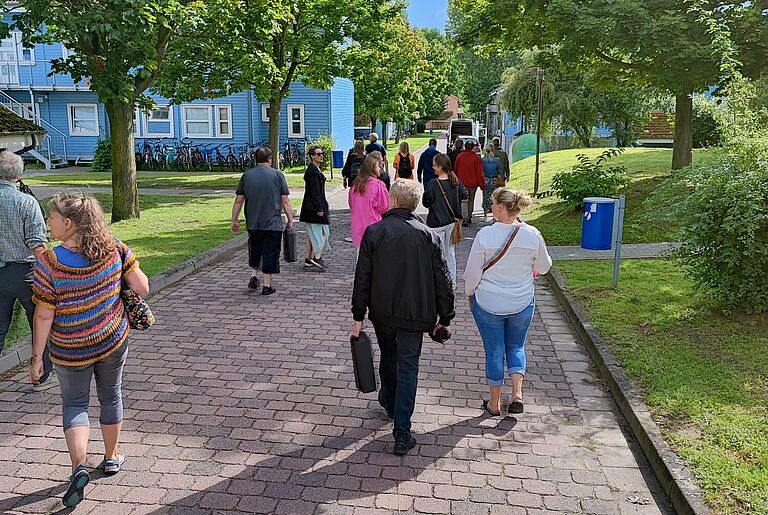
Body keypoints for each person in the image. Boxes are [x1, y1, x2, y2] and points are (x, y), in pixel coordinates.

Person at [30, 192, 150, 508]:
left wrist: (36, 358)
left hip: (69, 348)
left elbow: (44, 313)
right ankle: (111, 458)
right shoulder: (115, 249)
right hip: (111, 339)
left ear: (68, 223)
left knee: (74, 403)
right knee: (111, 395)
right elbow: (142, 287)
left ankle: (78, 467)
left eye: (52, 217)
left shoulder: (48, 264)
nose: (48, 222)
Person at [351, 180, 455, 456]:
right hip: (416, 312)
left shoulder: (374, 233)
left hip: (382, 311)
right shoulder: (428, 235)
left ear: (393, 202)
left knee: (389, 355)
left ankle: (389, 399)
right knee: (408, 365)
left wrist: (358, 315)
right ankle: (402, 430)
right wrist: (446, 316)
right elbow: (443, 279)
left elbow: (362, 278)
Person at [463, 188, 552, 417]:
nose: (491, 207)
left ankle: (494, 403)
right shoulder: (532, 235)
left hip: (488, 302)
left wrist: (469, 293)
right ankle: (517, 395)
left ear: (501, 207)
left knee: (494, 350)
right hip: (521, 302)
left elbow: (472, 273)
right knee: (516, 346)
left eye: (493, 203)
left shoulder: (485, 236)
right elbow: (544, 267)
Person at [0, 151, 56, 391]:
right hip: (25, 272)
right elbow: (37, 244)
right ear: (19, 174)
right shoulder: (25, 202)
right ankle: (41, 376)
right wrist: (52, 273)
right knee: (39, 322)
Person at [231, 146, 294, 295]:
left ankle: (254, 275)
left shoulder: (246, 176)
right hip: (272, 222)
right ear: (270, 159)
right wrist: (290, 219)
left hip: (253, 221)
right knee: (270, 252)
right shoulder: (278, 175)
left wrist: (234, 220)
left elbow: (239, 200)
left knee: (255, 249)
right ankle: (267, 285)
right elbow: (285, 200)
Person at [422, 153, 467, 289]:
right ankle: (451, 281)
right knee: (450, 253)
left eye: (435, 165)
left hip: (436, 223)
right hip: (452, 223)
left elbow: (426, 203)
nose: (433, 168)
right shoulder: (456, 181)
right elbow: (464, 196)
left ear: (441, 167)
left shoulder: (433, 184)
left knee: (436, 255)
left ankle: (437, 282)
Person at [300, 146, 331, 272]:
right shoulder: (313, 172)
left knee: (312, 234)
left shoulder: (314, 170)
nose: (321, 156)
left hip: (311, 207)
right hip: (314, 208)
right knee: (325, 232)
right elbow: (315, 192)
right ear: (312, 156)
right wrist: (319, 208)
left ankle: (308, 259)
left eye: (322, 153)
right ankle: (317, 257)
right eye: (318, 154)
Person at [348, 156, 389, 250]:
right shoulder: (378, 185)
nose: (380, 168)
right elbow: (384, 207)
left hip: (358, 228)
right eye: (378, 166)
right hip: (374, 227)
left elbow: (351, 204)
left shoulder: (355, 185)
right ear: (372, 168)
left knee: (361, 258)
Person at [454, 140, 485, 226]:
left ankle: (464, 217)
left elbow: (455, 169)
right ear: (472, 147)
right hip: (472, 184)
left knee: (463, 200)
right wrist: (482, 184)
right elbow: (479, 172)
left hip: (462, 183)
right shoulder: (476, 158)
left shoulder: (460, 156)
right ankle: (469, 216)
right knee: (471, 200)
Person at [481, 144, 501, 222]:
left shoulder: (483, 160)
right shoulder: (497, 160)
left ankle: (485, 216)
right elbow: (499, 170)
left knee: (485, 197)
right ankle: (494, 216)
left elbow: (481, 171)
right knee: (494, 198)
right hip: (494, 180)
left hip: (486, 180)